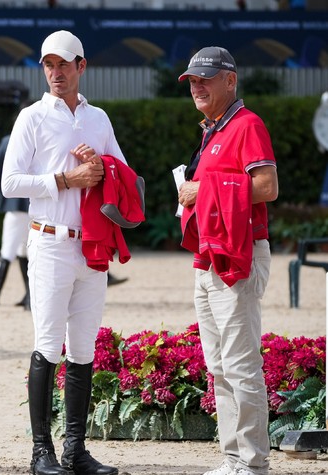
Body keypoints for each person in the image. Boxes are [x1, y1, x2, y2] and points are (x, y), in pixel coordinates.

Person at [2, 30, 125, 475]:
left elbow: (124, 176)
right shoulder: (31, 117)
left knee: (85, 350)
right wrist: (64, 180)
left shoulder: (99, 118)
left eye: (63, 64)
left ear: (81, 67)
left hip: (91, 245)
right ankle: (41, 453)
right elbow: (9, 183)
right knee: (48, 346)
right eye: (48, 65)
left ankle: (75, 450)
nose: (55, 72)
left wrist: (102, 165)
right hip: (50, 241)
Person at [176, 46, 278, 475]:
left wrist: (204, 190)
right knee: (218, 367)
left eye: (205, 78)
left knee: (239, 366)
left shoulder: (248, 124)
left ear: (230, 81)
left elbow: (267, 186)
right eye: (193, 80)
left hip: (238, 255)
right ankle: (233, 459)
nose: (197, 86)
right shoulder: (213, 130)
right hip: (210, 257)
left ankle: (253, 465)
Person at [0, 124, 31, 312]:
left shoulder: (7, 140)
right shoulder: (43, 137)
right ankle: (29, 298)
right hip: (36, 204)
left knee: (8, 251)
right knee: (25, 251)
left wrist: (5, 197)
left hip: (15, 204)